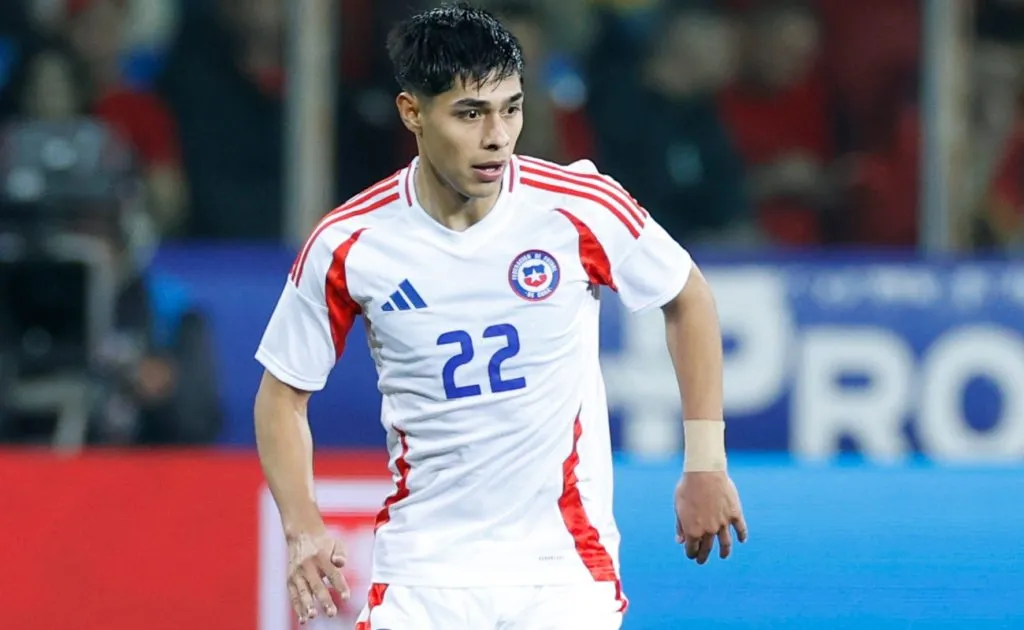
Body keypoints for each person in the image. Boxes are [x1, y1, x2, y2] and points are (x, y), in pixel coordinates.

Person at [253, 4, 748, 628]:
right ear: (413, 113)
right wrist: (302, 527)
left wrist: (705, 462)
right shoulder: (351, 243)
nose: (497, 137)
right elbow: (281, 395)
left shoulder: (578, 207)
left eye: (510, 108)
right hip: (423, 573)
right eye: (470, 114)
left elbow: (687, 295)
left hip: (561, 568)